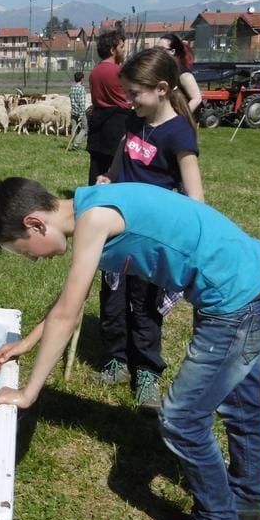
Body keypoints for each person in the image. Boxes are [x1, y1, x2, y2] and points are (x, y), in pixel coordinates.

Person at [0, 177, 260, 520]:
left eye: (25, 252)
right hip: (256, 281)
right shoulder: (91, 207)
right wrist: (30, 341)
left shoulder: (95, 219)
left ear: (35, 224)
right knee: (240, 407)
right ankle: (248, 514)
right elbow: (70, 300)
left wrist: (28, 392)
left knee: (182, 419)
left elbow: (68, 316)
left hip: (236, 304)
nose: (33, 260)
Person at [92, 48, 205, 414]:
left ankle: (147, 372)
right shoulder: (134, 120)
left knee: (144, 304)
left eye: (134, 93)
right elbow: (121, 155)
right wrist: (109, 178)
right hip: (119, 228)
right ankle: (117, 360)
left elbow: (195, 196)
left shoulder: (179, 133)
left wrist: (186, 236)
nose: (129, 100)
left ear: (161, 89)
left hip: (152, 238)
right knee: (113, 297)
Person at [87, 30, 131, 185]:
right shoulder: (120, 72)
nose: (124, 50)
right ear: (113, 50)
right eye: (121, 47)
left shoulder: (94, 72)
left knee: (96, 170)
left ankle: (93, 197)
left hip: (98, 124)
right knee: (118, 171)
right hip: (118, 124)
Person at [156, 33, 203, 114]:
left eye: (161, 49)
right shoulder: (163, 70)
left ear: (172, 51)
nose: (157, 52)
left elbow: (197, 99)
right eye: (156, 48)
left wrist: (182, 117)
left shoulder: (184, 74)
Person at [68, 71, 88, 150]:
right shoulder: (82, 88)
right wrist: (81, 114)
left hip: (73, 111)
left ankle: (73, 144)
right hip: (81, 112)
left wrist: (75, 109)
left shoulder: (72, 88)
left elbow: (71, 100)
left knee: (74, 128)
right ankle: (76, 143)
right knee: (85, 128)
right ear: (82, 79)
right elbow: (82, 103)